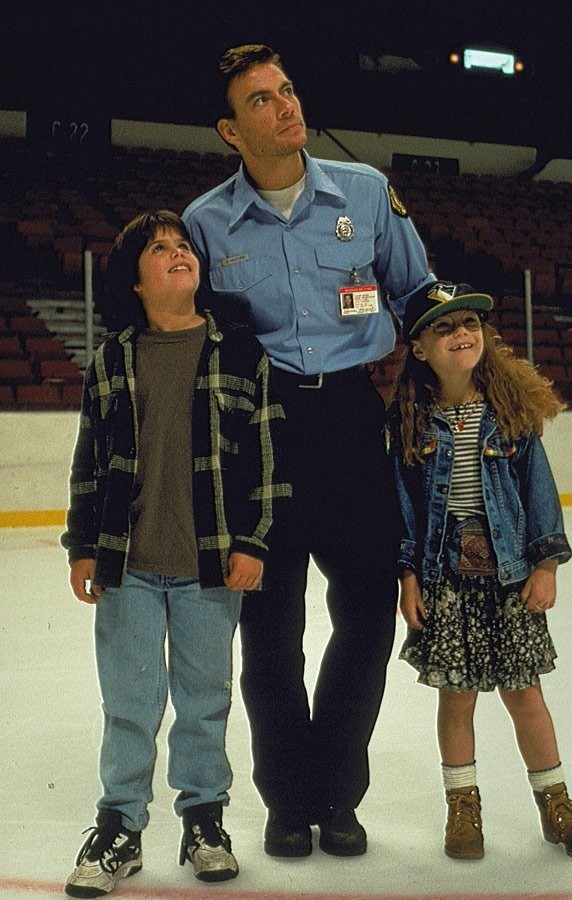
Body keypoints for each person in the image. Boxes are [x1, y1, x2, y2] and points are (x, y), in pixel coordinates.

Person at [182, 44, 436, 858]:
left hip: (356, 423)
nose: (285, 105)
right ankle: (287, 800)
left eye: (287, 89)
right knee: (269, 629)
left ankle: (338, 791)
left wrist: (426, 395)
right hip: (264, 433)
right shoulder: (205, 222)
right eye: (261, 99)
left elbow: (418, 293)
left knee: (364, 618)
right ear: (231, 129)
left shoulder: (363, 193)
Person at [60, 210, 290, 896]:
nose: (177, 253)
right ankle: (120, 826)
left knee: (203, 698)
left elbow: (268, 464)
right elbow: (88, 464)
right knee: (130, 699)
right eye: (159, 249)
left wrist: (254, 541)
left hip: (209, 566)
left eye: (184, 245)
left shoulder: (243, 355)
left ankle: (204, 820)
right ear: (136, 281)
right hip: (126, 564)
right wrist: (80, 545)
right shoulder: (110, 361)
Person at [388, 281, 572, 861]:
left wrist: (547, 562)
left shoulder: (508, 414)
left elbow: (540, 493)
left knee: (524, 694)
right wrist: (409, 577)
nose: (461, 334)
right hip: (445, 578)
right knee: (456, 698)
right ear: (420, 348)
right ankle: (463, 807)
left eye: (470, 325)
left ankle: (557, 802)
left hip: (510, 574)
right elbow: (404, 507)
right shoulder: (409, 419)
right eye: (444, 328)